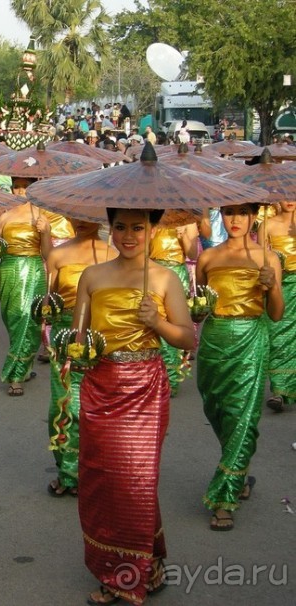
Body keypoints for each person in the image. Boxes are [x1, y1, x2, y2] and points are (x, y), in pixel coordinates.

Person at [74, 208, 195, 605]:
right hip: (100, 385)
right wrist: (76, 350)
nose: (129, 236)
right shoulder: (92, 276)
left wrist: (156, 322)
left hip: (144, 388)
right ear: (110, 228)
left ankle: (127, 577)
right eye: (121, 227)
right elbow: (79, 337)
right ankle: (140, 561)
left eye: (138, 228)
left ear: (153, 229)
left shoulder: (164, 278)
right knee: (102, 479)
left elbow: (187, 338)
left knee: (137, 481)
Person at [196, 203, 284, 531]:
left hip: (251, 339)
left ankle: (224, 499)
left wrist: (272, 285)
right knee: (218, 410)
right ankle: (238, 467)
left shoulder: (267, 258)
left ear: (253, 217)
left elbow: (276, 314)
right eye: (229, 212)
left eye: (243, 213)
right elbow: (200, 308)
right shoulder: (207, 258)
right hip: (214, 340)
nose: (235, 220)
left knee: (242, 416)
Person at [44, 218, 112, 497]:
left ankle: (90, 470)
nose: (81, 221)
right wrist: (44, 315)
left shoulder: (113, 254)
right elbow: (49, 301)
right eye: (76, 215)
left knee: (95, 408)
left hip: (102, 339)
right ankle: (67, 469)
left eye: (89, 215)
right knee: (62, 406)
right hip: (65, 339)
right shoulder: (57, 255)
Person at [0, 177, 51, 396]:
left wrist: (45, 232)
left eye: (24, 186)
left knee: (28, 319)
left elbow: (47, 254)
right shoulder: (4, 216)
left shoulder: (40, 216)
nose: (20, 191)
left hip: (34, 269)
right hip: (8, 270)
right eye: (16, 186)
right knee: (13, 320)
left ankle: (15, 376)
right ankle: (25, 366)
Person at [148, 223, 199, 396]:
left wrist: (183, 236)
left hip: (176, 273)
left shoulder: (188, 220)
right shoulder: (153, 217)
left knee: (173, 324)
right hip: (154, 273)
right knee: (155, 323)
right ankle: (156, 375)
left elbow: (193, 253)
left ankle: (171, 377)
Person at [259, 201, 295, 412]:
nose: (289, 199)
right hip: (280, 287)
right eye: (284, 195)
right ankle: (279, 391)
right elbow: (261, 258)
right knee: (279, 337)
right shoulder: (267, 224)